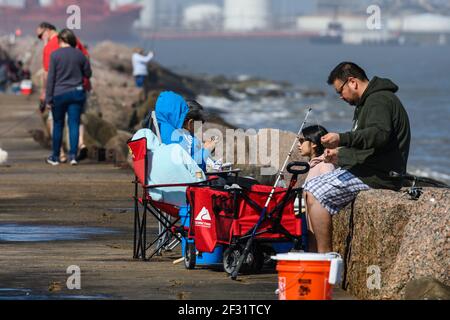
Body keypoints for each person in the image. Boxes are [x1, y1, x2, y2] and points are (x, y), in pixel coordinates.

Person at [303, 62, 411, 253]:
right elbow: (368, 145)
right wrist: (340, 154)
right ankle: (314, 255)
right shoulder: (367, 103)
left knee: (315, 192)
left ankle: (325, 257)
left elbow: (378, 135)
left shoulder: (379, 100)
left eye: (340, 91)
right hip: (370, 168)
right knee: (309, 190)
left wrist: (341, 138)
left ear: (352, 82)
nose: (340, 97)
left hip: (380, 174)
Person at [36, 22, 90, 162]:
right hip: (77, 93)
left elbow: (50, 78)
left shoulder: (55, 55)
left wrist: (48, 99)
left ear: (61, 41)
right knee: (74, 124)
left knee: (58, 124)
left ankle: (55, 156)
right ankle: (73, 156)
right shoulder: (79, 54)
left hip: (59, 94)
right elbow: (88, 73)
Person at [130, 128, 206, 206]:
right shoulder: (175, 148)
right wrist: (200, 180)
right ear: (154, 138)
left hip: (168, 204)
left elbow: (157, 197)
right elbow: (197, 171)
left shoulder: (143, 166)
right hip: (192, 199)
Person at [155, 91, 216, 172]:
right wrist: (206, 150)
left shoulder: (163, 127)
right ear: (190, 122)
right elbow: (188, 167)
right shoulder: (171, 136)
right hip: (182, 180)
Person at [297, 124, 336, 252]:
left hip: (319, 228)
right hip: (309, 227)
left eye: (302, 141)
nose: (299, 145)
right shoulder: (312, 166)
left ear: (313, 144)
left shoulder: (325, 165)